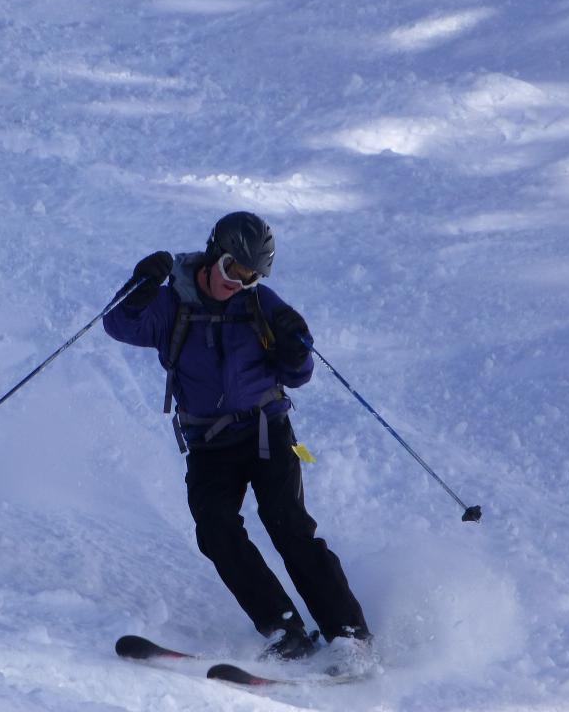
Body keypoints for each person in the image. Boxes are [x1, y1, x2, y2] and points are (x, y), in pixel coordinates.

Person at [103, 211, 371, 661]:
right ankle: (287, 633)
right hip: (209, 443)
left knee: (288, 524)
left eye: (251, 276)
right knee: (216, 530)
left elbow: (298, 373)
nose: (239, 283)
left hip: (267, 431)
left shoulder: (260, 304)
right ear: (214, 256)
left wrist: (294, 342)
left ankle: (350, 636)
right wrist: (138, 289)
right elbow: (119, 325)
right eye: (233, 270)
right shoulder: (173, 305)